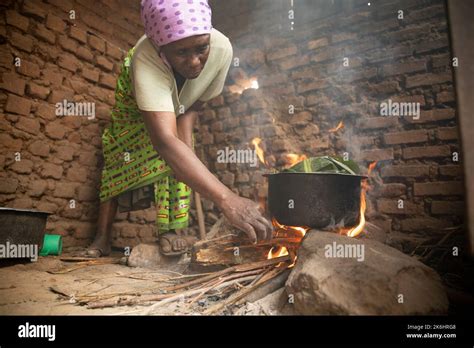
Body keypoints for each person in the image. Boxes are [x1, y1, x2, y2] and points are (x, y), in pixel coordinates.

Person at [86, 0, 272, 257]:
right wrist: (227, 199)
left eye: (200, 48)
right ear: (161, 48)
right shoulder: (145, 58)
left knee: (183, 158)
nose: (195, 62)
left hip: (179, 108)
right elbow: (164, 140)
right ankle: (102, 237)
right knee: (118, 164)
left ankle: (169, 230)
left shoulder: (221, 49)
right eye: (181, 53)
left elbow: (194, 103)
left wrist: (186, 148)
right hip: (133, 113)